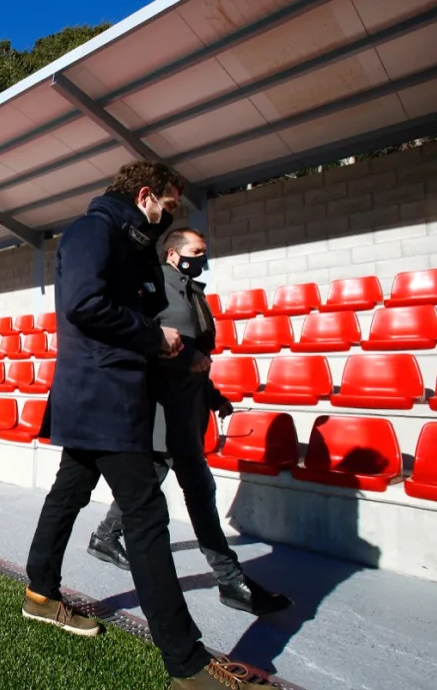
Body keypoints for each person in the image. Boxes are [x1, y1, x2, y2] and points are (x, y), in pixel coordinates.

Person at [21, 162, 260, 689]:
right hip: (102, 395)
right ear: (146, 195)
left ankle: (40, 594)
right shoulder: (94, 230)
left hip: (109, 393)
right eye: (168, 206)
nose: (169, 216)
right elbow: (86, 305)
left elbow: (148, 322)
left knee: (68, 492)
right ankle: (188, 666)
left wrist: (182, 355)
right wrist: (157, 341)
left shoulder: (135, 246)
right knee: (147, 518)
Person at [87, 228, 292, 617]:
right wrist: (185, 361)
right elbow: (144, 341)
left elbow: (198, 354)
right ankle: (230, 579)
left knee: (155, 475)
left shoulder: (193, 292)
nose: (203, 257)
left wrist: (213, 395)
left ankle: (104, 535)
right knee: (201, 492)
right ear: (173, 254)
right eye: (197, 251)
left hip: (189, 407)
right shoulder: (156, 286)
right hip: (166, 409)